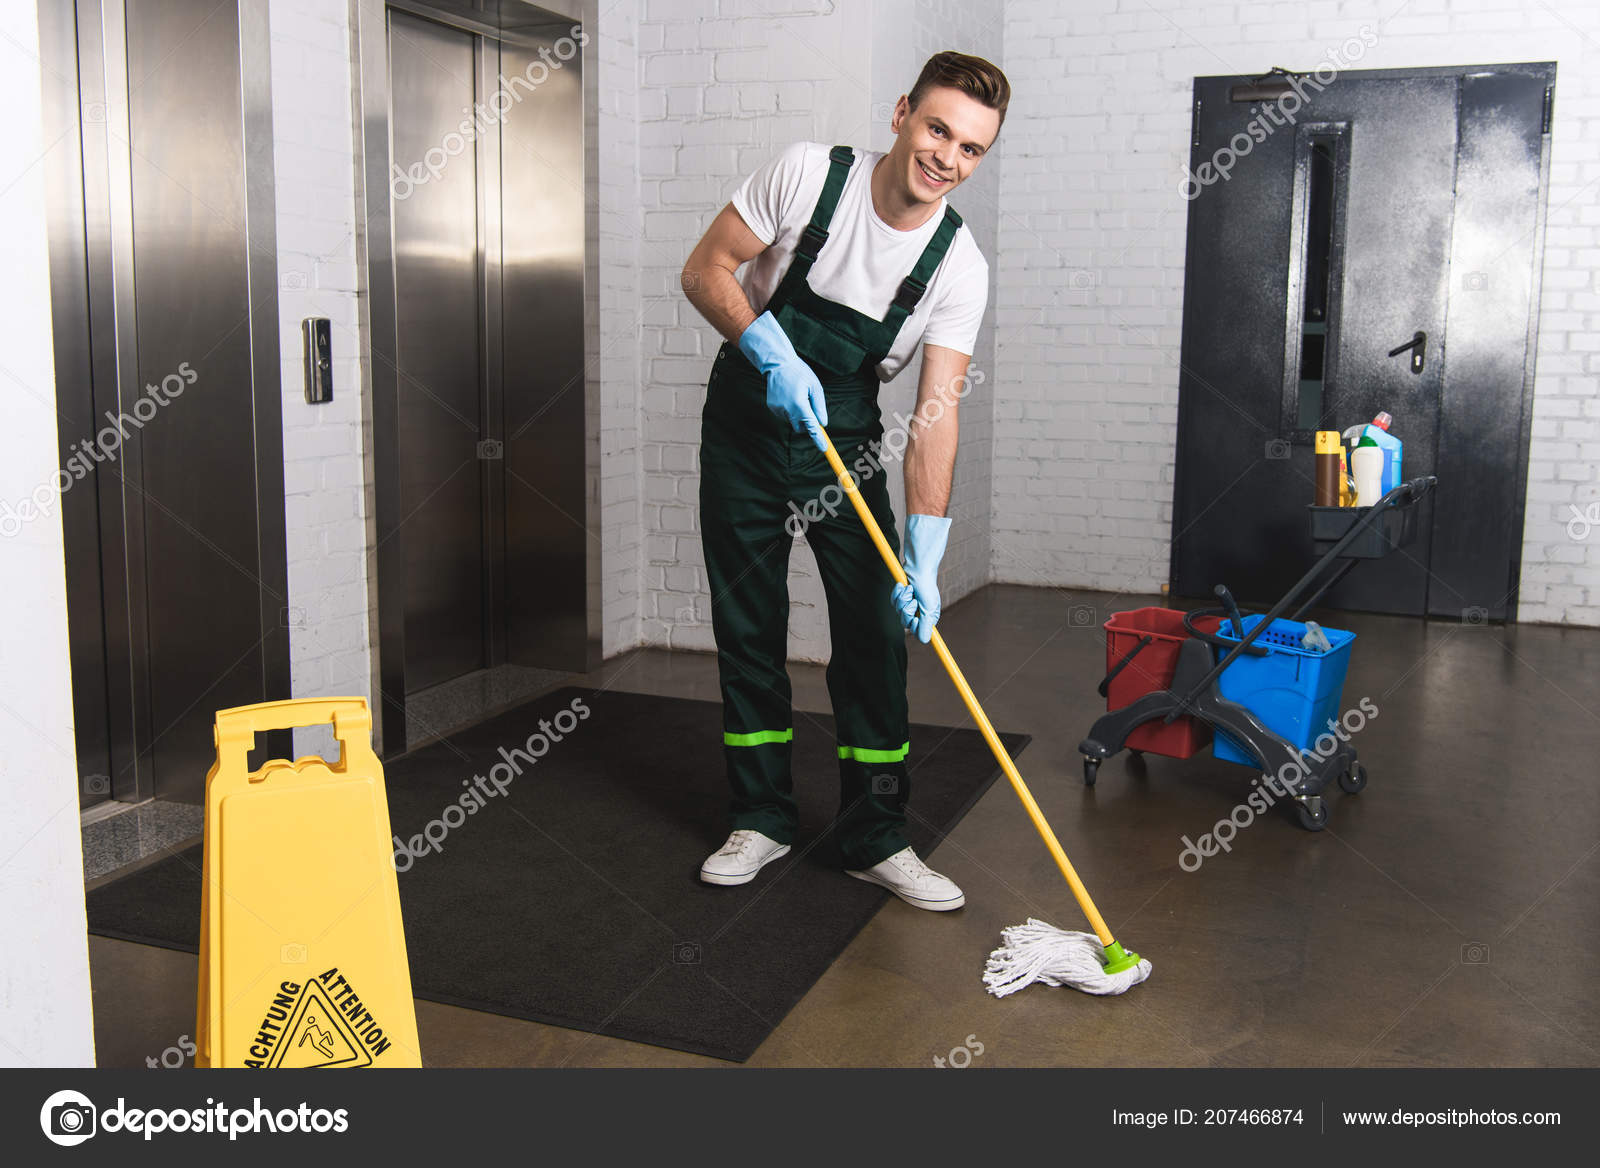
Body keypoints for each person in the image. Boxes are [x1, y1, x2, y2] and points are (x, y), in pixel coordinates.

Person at [678, 51, 1008, 911]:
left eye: (971, 149)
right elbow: (705, 269)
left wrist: (925, 552)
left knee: (871, 635)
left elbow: (937, 413)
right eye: (938, 129)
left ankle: (876, 836)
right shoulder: (806, 175)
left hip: (848, 436)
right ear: (902, 114)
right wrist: (770, 350)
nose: (947, 158)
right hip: (748, 417)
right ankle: (761, 818)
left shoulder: (956, 264)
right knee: (749, 621)